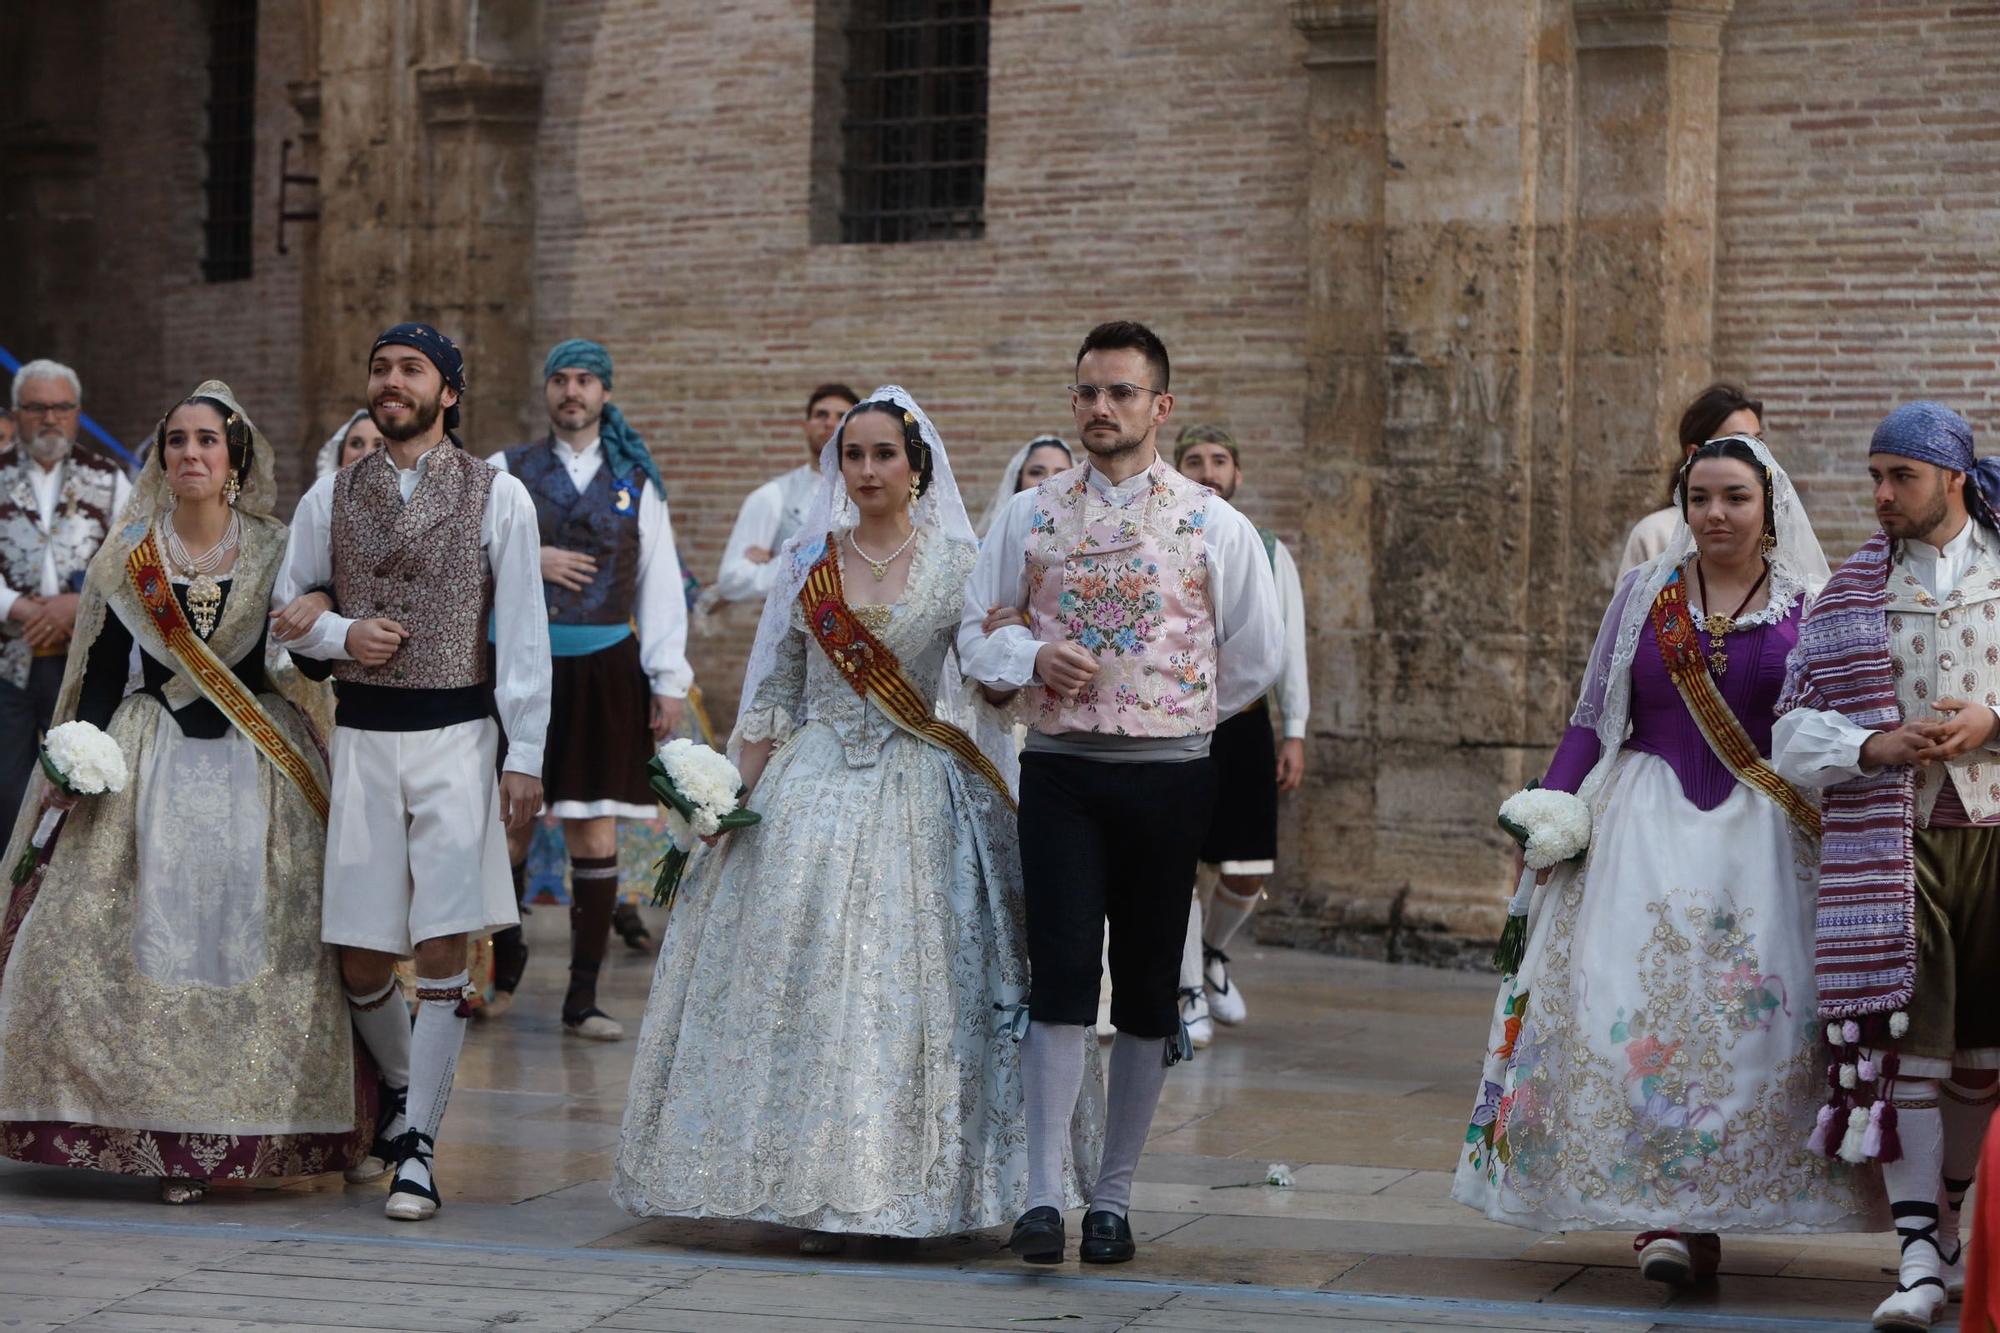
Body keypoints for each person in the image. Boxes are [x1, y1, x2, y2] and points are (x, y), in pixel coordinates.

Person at [614, 387, 1100, 1250]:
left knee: (903, 988)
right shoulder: (810, 562)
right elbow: (777, 692)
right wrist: (725, 800)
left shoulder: (959, 561)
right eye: (854, 454)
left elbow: (987, 675)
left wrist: (1016, 660)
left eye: (885, 454)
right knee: (801, 984)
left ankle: (905, 1184)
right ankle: (807, 1187)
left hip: (924, 787)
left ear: (917, 468)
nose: (868, 469)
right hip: (812, 784)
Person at [1453, 435, 1872, 1280]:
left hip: (1764, 843)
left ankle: (1720, 1200)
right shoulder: (1645, 596)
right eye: (1701, 497)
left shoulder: (1811, 603)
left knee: (1751, 1028)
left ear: (1770, 508)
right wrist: (1551, 813)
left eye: (1735, 497)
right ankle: (1662, 1220)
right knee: (1632, 1010)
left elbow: (1828, 730)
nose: (1715, 513)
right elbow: (1591, 718)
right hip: (1637, 834)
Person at [960, 321, 1282, 1266]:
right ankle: (1040, 1196)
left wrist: (1171, 703)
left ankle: (1113, 1196)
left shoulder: (1213, 522)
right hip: (1061, 773)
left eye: (1122, 393)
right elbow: (978, 632)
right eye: (1088, 393)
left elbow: (1256, 654)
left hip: (1171, 774)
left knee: (1146, 986)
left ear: (1160, 406)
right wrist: (1031, 654)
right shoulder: (1028, 515)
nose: (1102, 409)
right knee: (1059, 976)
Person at [0, 382, 362, 1202]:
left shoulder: (276, 549)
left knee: (268, 939)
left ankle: (249, 1126)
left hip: (258, 758)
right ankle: (152, 1129)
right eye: (177, 441)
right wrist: (73, 765)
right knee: (110, 935)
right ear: (162, 457)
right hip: (146, 754)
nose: (190, 454)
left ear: (235, 459)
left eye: (207, 441)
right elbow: (94, 675)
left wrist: (314, 612)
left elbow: (303, 667)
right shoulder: (128, 553)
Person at [272, 323, 550, 1222]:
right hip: (360, 735)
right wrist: (339, 633)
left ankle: (420, 1149)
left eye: (412, 370)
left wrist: (527, 754)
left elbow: (525, 636)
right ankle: (403, 1089)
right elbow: (284, 626)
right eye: (382, 369)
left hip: (457, 733)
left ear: (449, 392)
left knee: (441, 942)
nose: (392, 382)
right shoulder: (329, 494)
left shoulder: (496, 494)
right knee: (359, 952)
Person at [1772, 402, 2000, 1332]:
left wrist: (1994, 723)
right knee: (1907, 1046)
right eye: (1874, 477)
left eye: (1898, 476)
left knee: (1984, 1055)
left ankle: (1946, 1229)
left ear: (1952, 478)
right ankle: (1916, 1251)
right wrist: (1872, 742)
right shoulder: (1850, 595)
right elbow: (1789, 729)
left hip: (1994, 832)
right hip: (1892, 848)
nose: (1880, 496)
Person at [484, 339, 691, 1039]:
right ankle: (502, 967)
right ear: (546, 391)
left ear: (604, 392)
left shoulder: (638, 478)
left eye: (585, 381)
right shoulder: (505, 472)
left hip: (605, 665)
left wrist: (668, 681)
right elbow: (463, 556)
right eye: (561, 380)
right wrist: (528, 554)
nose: (572, 391)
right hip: (518, 662)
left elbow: (660, 584)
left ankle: (583, 997)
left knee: (593, 825)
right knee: (509, 822)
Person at [1171, 423, 1309, 1047]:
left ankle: (1210, 953)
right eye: (1194, 459)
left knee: (1248, 865)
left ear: (1237, 473)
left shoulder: (1270, 546)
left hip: (1246, 721)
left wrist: (1296, 730)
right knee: (1177, 862)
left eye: (1219, 459)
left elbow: (1288, 647)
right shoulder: (1163, 532)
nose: (1207, 470)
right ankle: (1187, 987)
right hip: (1172, 720)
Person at [0, 360, 132, 832]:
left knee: (73, 779)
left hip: (83, 658)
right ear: (17, 414)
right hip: (8, 658)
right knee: (7, 789)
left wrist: (78, 604)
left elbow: (130, 556)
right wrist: (15, 606)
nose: (50, 418)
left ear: (77, 413)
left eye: (61, 407)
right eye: (37, 407)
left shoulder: (111, 477)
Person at [710, 384, 859, 605]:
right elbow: (731, 580)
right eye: (821, 415)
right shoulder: (773, 496)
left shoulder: (872, 494)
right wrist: (787, 563)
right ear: (806, 425)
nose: (830, 422)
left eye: (841, 416)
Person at [1619, 385, 1765, 576]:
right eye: (1738, 444)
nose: (1755, 455)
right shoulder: (1654, 533)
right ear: (1694, 455)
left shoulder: (1777, 529)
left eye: (1759, 442)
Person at [976, 434, 1075, 538]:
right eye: (1036, 473)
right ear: (1019, 479)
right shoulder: (991, 545)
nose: (1049, 481)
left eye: (1061, 475)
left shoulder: (1087, 545)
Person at [314, 409, 387, 478]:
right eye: (356, 444)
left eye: (379, 445)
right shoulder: (320, 491)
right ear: (340, 456)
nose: (366, 454)